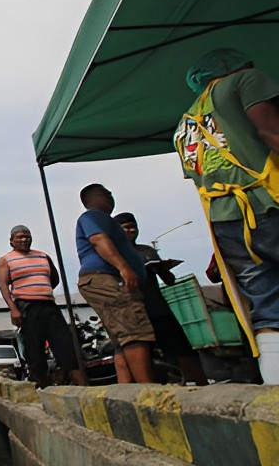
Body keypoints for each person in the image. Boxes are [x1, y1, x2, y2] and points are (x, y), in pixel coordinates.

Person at [175, 48, 279, 383]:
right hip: (265, 204)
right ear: (238, 66)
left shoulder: (185, 124)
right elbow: (270, 131)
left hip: (224, 222)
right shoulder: (244, 81)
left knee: (265, 304)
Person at [113, 212, 208, 385]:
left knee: (180, 349)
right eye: (125, 228)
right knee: (132, 353)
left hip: (157, 307)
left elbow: (169, 280)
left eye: (133, 226)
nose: (131, 230)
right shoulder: (114, 255)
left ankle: (199, 384)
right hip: (132, 311)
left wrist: (163, 268)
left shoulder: (147, 251)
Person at [74, 184, 157, 383]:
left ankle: (128, 389)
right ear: (97, 197)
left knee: (122, 339)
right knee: (134, 331)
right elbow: (99, 240)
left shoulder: (103, 220)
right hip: (108, 277)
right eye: (108, 193)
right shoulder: (93, 217)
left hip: (106, 276)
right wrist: (124, 267)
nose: (112, 197)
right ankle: (149, 389)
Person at [0, 225, 86, 388]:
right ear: (12, 241)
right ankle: (42, 384)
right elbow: (3, 285)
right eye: (20, 237)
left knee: (65, 344)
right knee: (34, 348)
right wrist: (13, 309)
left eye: (27, 236)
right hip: (27, 306)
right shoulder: (6, 260)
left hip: (49, 305)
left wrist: (41, 289)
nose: (24, 239)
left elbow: (54, 278)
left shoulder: (42, 256)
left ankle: (81, 384)